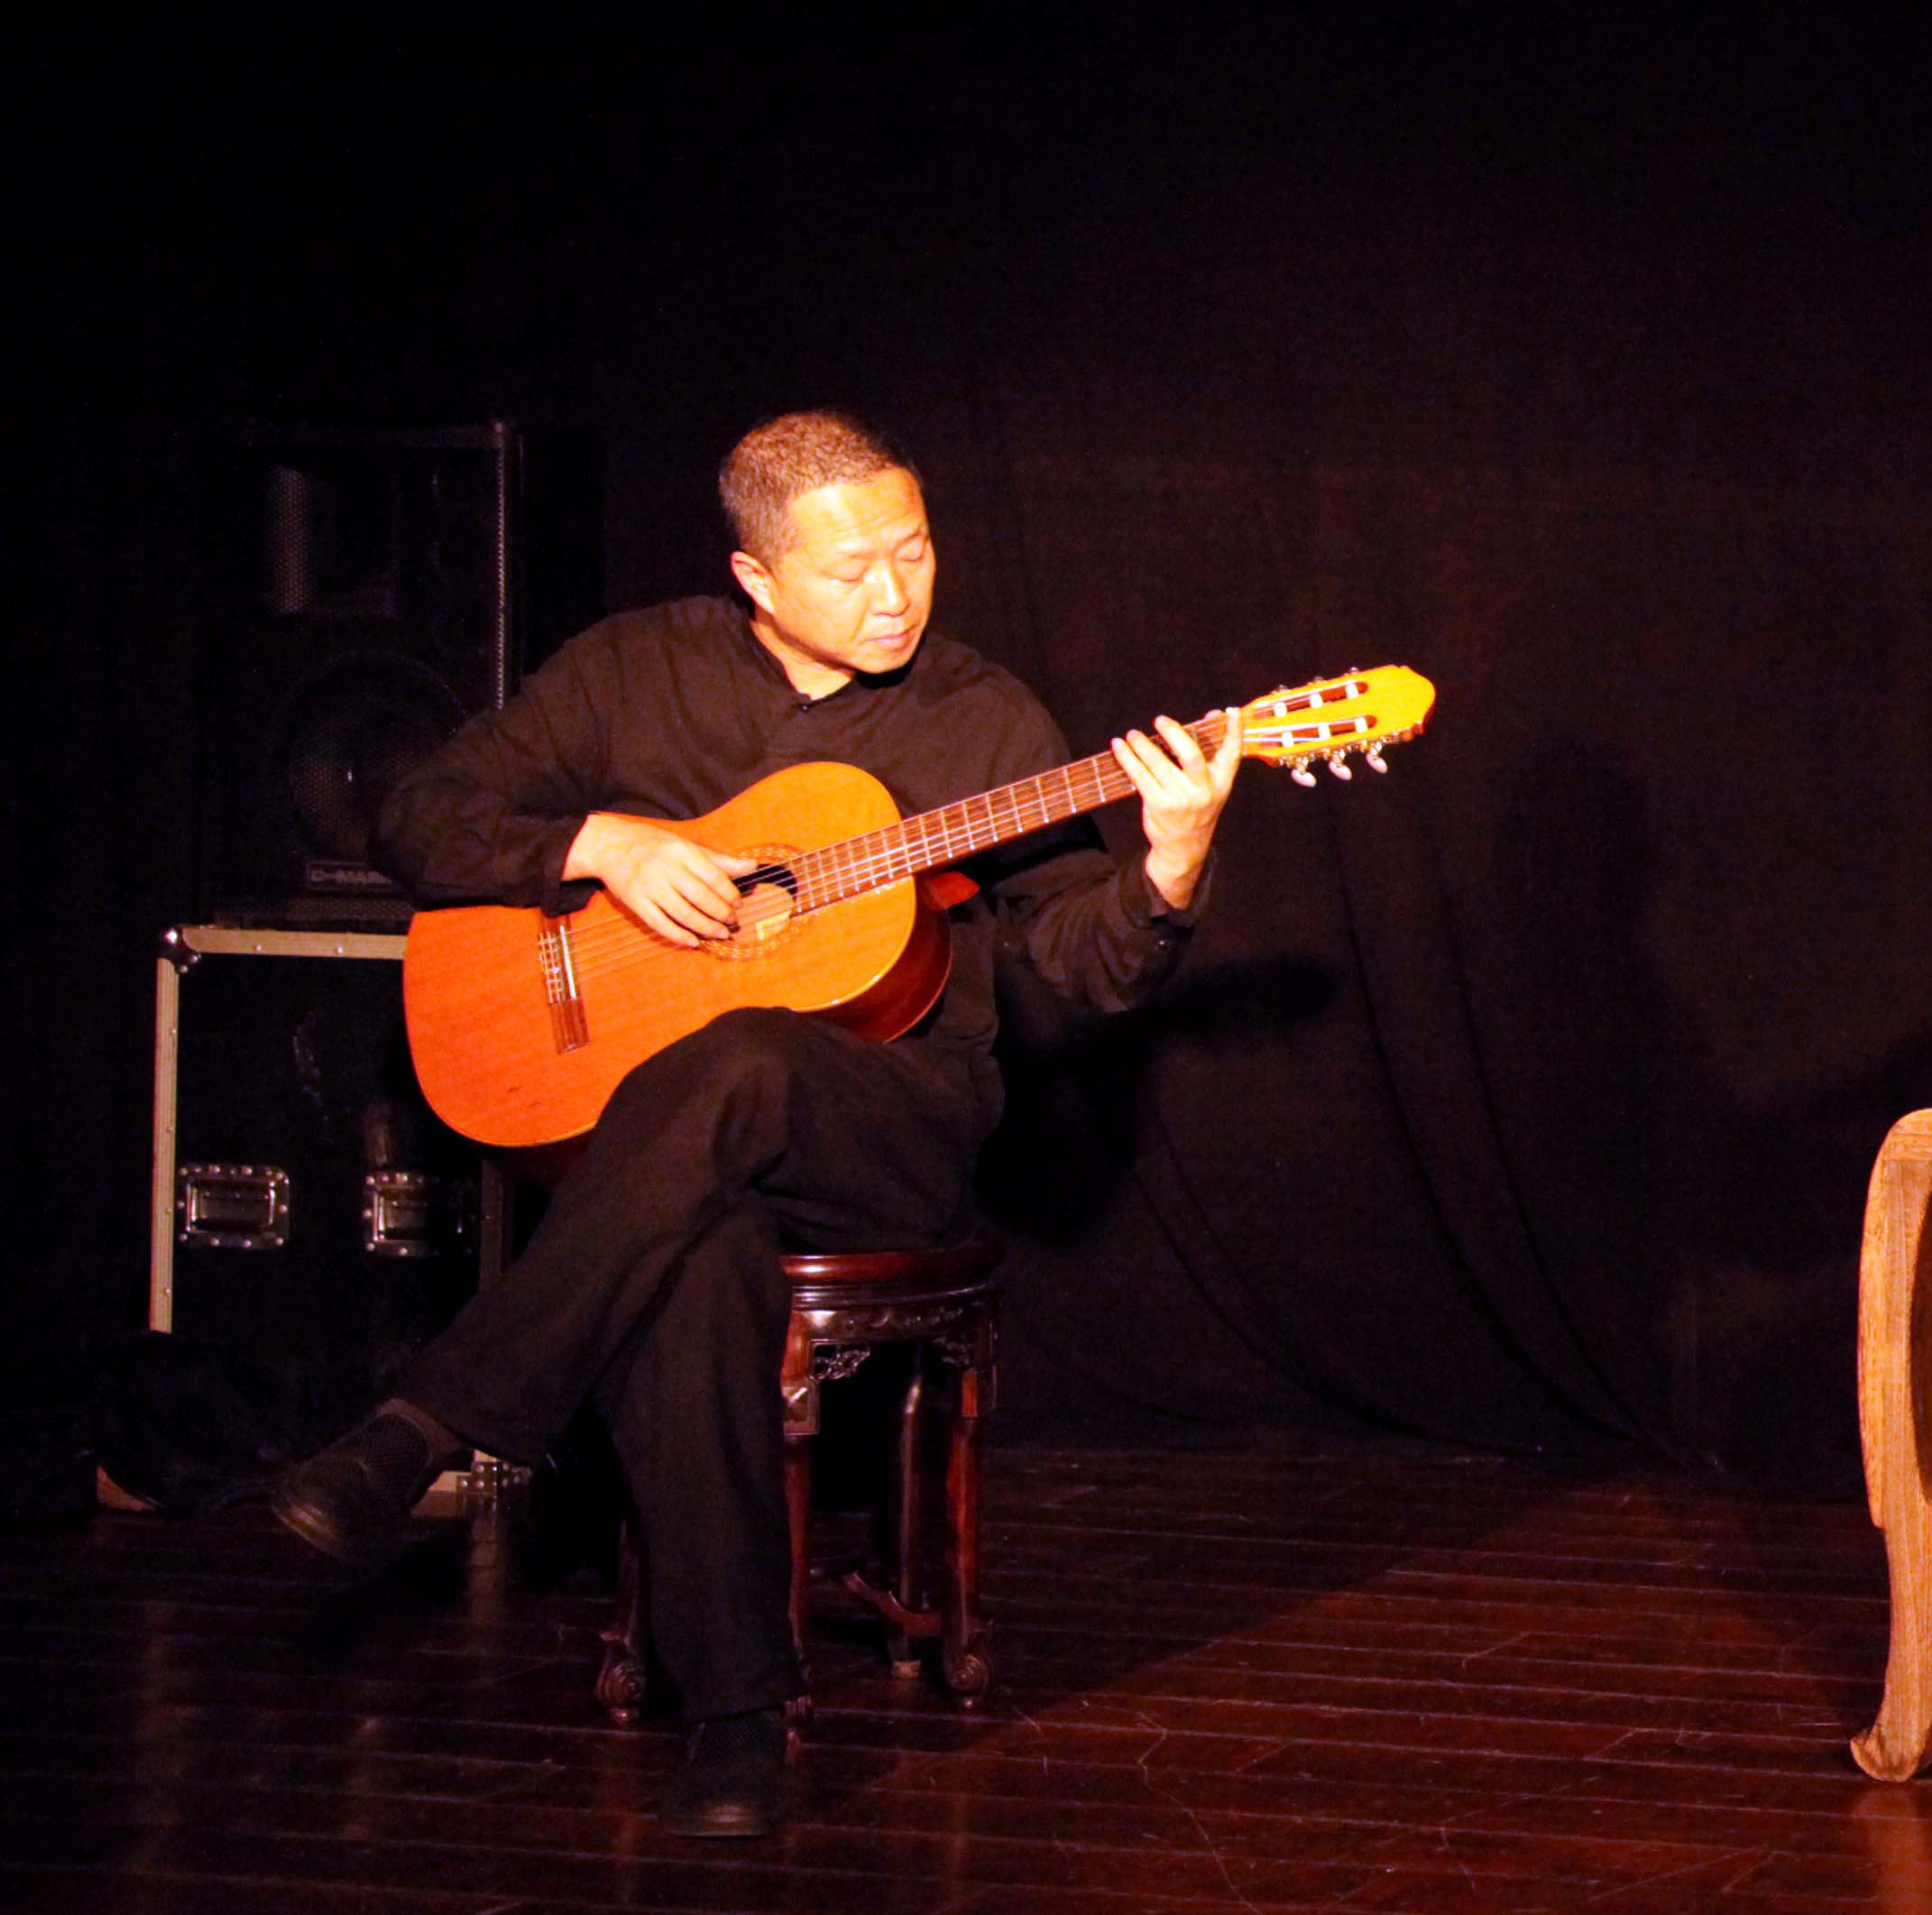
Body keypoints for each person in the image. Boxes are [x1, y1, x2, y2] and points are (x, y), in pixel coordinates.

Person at [269, 410, 1242, 1837]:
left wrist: (1169, 868)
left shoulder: (986, 721)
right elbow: (416, 813)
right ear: (756, 577)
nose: (896, 594)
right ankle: (738, 1719)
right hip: (664, 1154)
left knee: (744, 1055)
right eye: (851, 570)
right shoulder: (634, 672)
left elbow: (1082, 968)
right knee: (695, 1262)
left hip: (894, 1123)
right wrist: (594, 844)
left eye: (914, 551)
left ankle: (431, 1419)